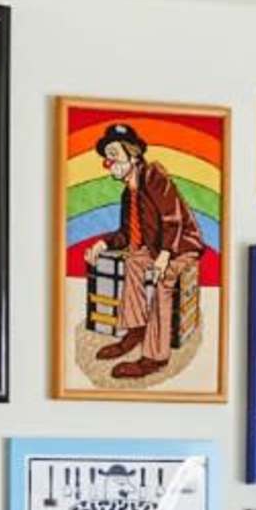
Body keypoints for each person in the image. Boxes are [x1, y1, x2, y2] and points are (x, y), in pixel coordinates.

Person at [91, 121, 203, 374]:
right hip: (154, 249)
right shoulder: (127, 194)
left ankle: (155, 356)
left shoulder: (154, 175)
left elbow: (172, 219)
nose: (109, 163)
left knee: (164, 282)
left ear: (133, 154)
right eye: (107, 157)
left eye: (113, 155)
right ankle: (136, 329)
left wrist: (165, 256)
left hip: (182, 246)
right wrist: (103, 242)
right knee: (133, 261)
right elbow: (125, 234)